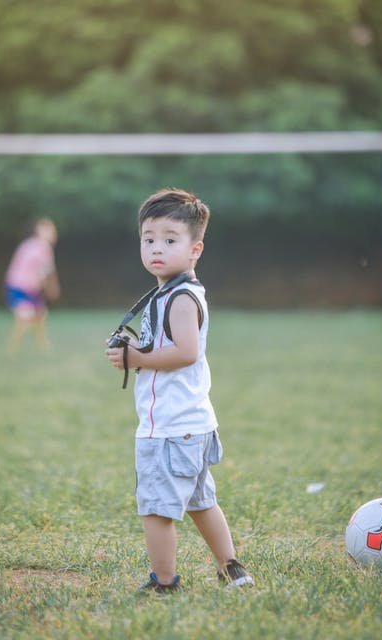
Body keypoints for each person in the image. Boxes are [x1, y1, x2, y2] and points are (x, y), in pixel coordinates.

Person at [106, 188, 253, 592]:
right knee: (200, 502)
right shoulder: (168, 292)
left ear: (195, 249)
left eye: (170, 240)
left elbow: (185, 352)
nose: (157, 248)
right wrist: (132, 350)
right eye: (149, 238)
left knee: (156, 510)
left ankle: (164, 582)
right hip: (191, 424)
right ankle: (232, 567)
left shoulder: (181, 298)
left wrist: (134, 359)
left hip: (171, 427)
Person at [5, 217, 60, 352]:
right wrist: (53, 288)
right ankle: (13, 347)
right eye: (50, 230)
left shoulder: (29, 244)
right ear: (40, 231)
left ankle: (42, 346)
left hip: (30, 289)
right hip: (19, 287)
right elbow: (49, 272)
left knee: (41, 315)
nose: (53, 233)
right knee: (26, 316)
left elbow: (42, 271)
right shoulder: (43, 247)